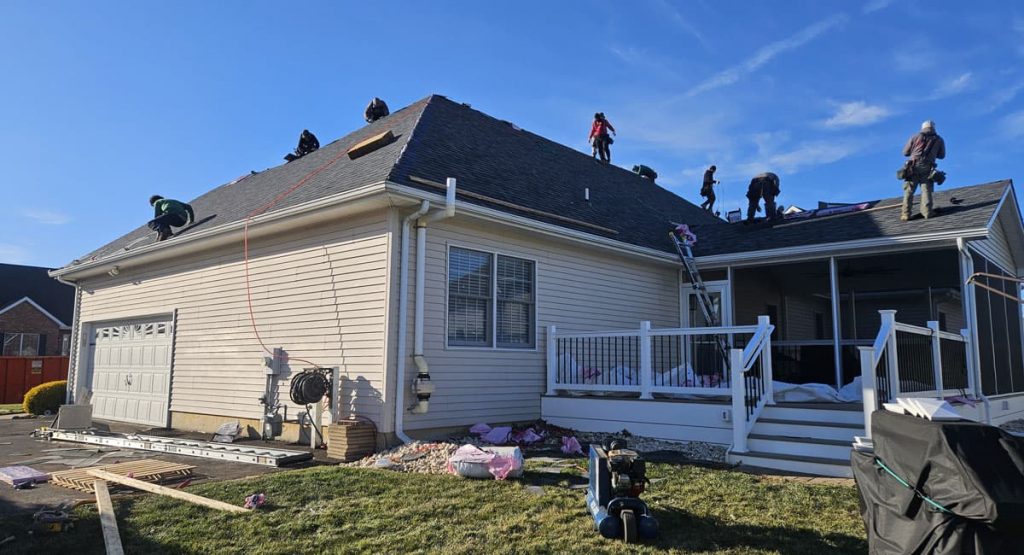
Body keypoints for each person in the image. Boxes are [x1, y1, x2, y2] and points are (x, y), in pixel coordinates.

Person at [901, 120, 946, 221]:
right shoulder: (939, 140)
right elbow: (942, 156)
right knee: (926, 190)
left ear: (922, 128)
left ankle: (906, 214)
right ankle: (927, 212)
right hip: (928, 167)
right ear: (934, 128)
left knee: (909, 190)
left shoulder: (915, 137)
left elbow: (905, 153)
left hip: (912, 166)